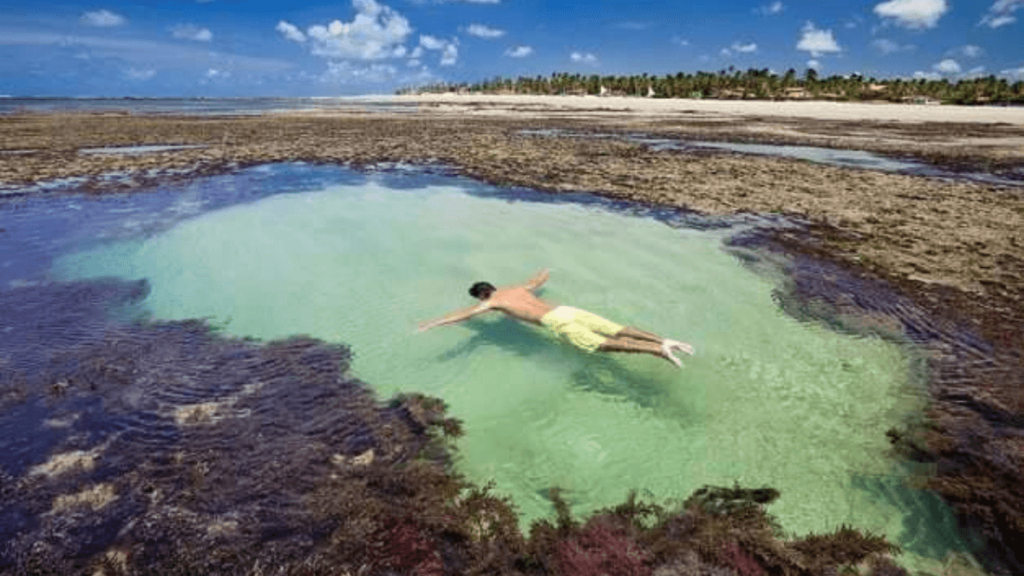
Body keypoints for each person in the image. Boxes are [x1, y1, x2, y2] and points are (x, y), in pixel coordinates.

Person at [417, 269, 694, 367]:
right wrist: (546, 271)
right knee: (619, 328)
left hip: (556, 322)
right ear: (492, 285)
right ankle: (664, 339)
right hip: (566, 310)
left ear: (481, 295)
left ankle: (657, 350)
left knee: (602, 345)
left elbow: (462, 315)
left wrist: (432, 323)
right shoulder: (517, 288)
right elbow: (537, 281)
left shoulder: (491, 303)